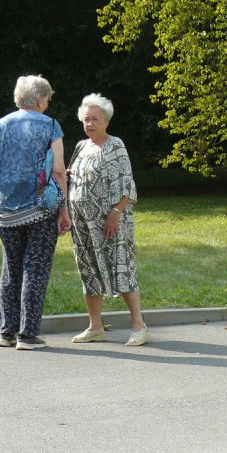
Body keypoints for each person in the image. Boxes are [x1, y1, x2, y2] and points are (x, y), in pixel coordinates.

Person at [0, 74, 72, 350]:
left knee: (10, 270)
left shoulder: (1, 125)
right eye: (47, 98)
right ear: (41, 99)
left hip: (6, 209)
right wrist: (64, 209)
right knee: (36, 269)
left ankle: (6, 333)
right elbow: (58, 171)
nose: (48, 103)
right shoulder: (51, 126)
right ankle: (27, 335)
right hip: (40, 209)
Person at [66, 94, 149, 346]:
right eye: (86, 119)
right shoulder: (81, 146)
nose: (90, 124)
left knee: (121, 267)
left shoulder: (115, 145)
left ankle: (139, 325)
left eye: (95, 119)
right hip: (83, 224)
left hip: (110, 222)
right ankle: (95, 327)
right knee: (89, 269)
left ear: (106, 121)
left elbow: (126, 184)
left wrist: (115, 213)